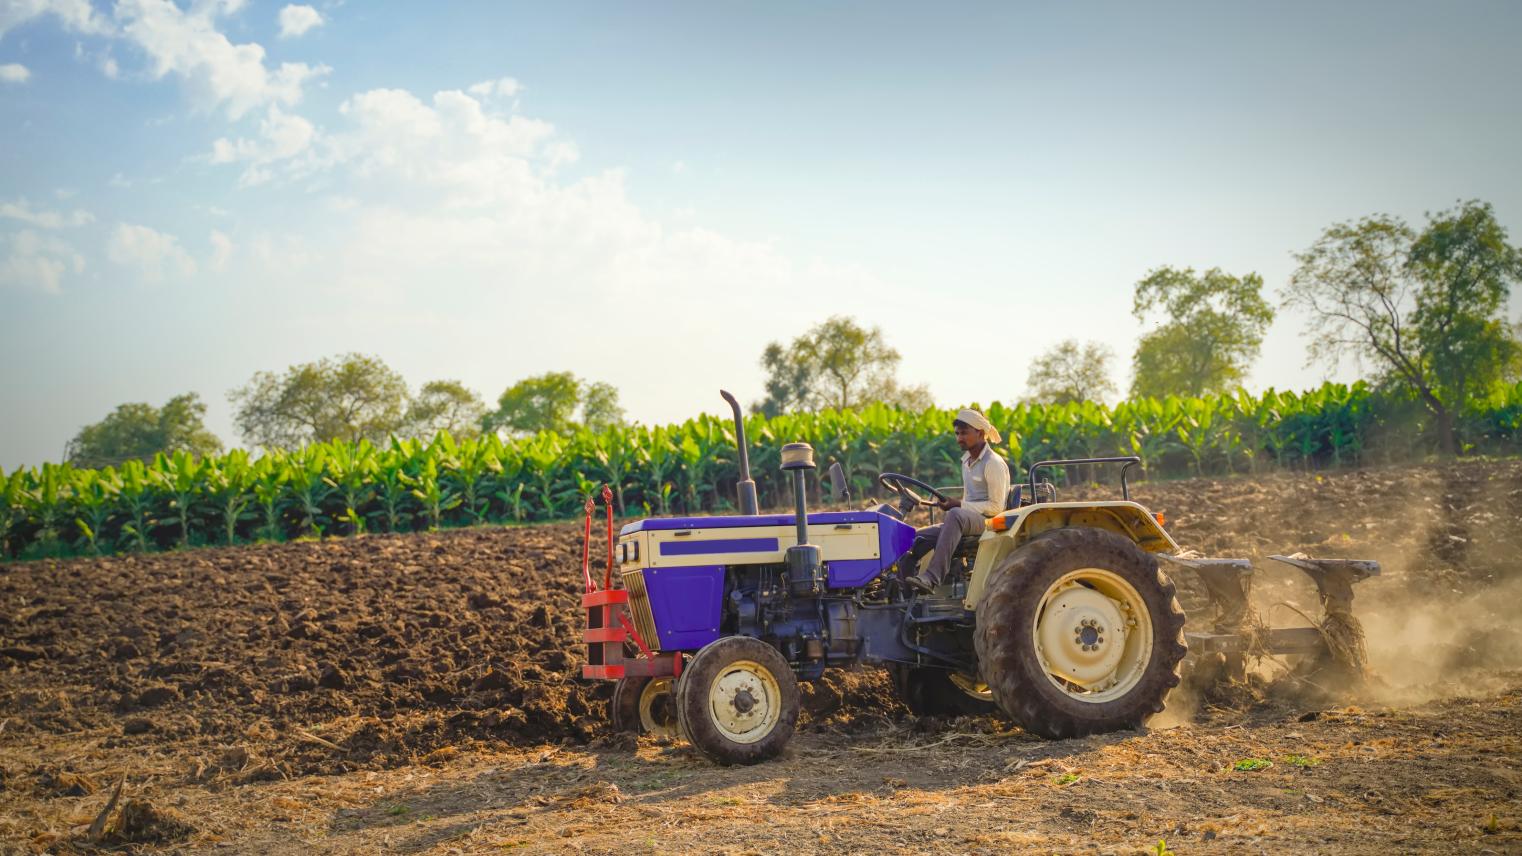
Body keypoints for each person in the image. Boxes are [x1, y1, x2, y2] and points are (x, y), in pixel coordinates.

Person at [901, 408, 1011, 594]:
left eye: (964, 433)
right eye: (957, 433)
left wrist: (958, 505)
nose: (959, 438)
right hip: (968, 519)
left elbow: (996, 507)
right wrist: (953, 504)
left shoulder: (993, 463)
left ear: (980, 433)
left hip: (990, 522)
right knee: (911, 538)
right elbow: (969, 500)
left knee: (955, 514)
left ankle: (931, 578)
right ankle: (902, 592)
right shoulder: (966, 462)